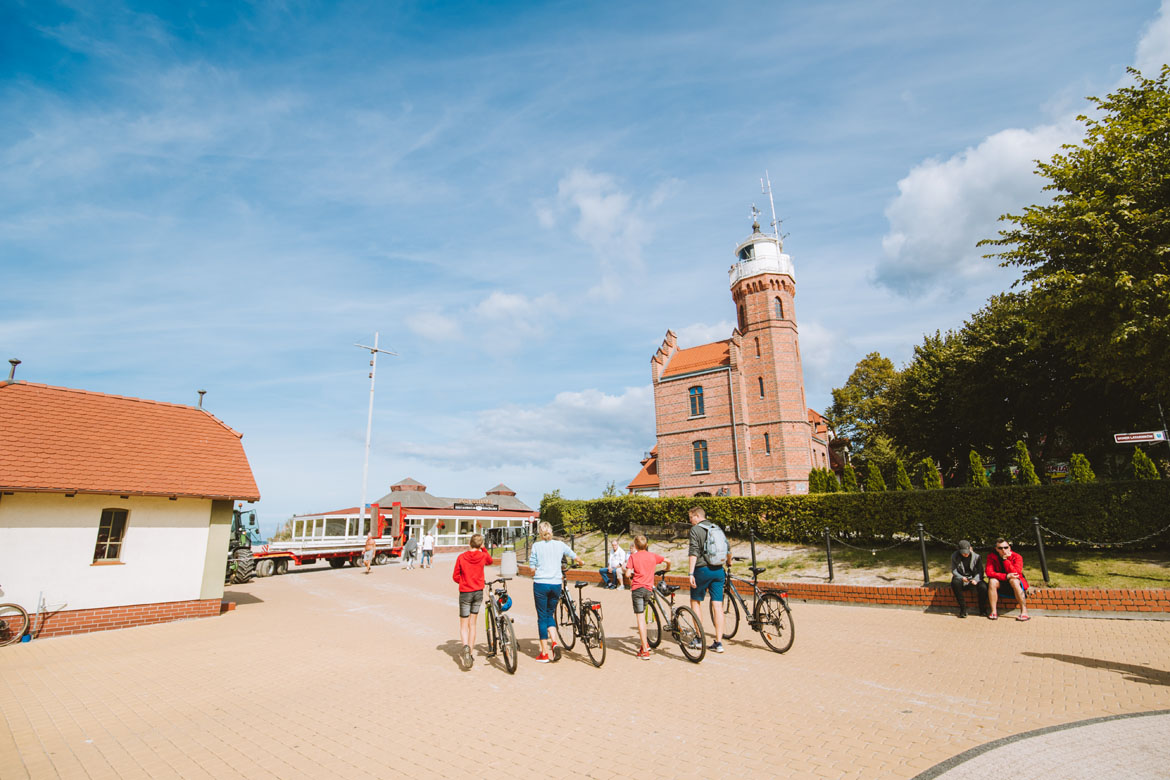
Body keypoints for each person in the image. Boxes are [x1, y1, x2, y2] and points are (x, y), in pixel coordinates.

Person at [528, 520, 583, 663]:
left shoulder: (536, 546)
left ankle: (544, 653)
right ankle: (554, 642)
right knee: (549, 614)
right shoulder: (560, 545)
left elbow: (532, 566)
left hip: (541, 584)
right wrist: (580, 561)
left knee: (541, 617)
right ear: (551, 531)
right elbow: (573, 555)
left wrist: (534, 570)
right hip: (556, 584)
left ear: (540, 532)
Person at [687, 506, 730, 653]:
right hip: (718, 570)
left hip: (702, 570)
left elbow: (693, 552)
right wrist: (728, 563)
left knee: (695, 602)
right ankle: (718, 642)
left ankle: (699, 638)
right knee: (717, 605)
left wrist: (691, 573)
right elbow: (727, 548)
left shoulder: (695, 530)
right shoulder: (716, 527)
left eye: (691, 517)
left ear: (697, 516)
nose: (690, 520)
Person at [452, 533, 494, 669]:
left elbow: (455, 576)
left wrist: (463, 581)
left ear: (470, 543)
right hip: (478, 592)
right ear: (480, 544)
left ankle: (464, 646)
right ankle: (470, 651)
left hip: (465, 592)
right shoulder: (482, 556)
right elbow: (490, 561)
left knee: (463, 624)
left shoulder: (461, 557)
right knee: (473, 624)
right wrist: (484, 549)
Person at [625, 535, 667, 659]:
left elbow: (627, 573)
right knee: (643, 614)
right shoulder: (652, 556)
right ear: (647, 545)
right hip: (648, 588)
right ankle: (645, 644)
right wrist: (666, 569)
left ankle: (645, 649)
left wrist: (631, 573)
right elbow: (667, 560)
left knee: (640, 618)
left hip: (637, 588)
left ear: (636, 546)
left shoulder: (633, 556)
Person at [985, 538, 1030, 621]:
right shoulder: (991, 557)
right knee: (992, 581)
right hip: (1001, 581)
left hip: (1014, 581)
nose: (1003, 550)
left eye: (1006, 547)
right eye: (1000, 548)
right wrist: (1006, 576)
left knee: (1014, 581)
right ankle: (993, 611)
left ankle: (1024, 612)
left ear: (1009, 547)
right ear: (996, 549)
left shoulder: (1017, 557)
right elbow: (989, 572)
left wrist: (1005, 560)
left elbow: (1016, 573)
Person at [949, 540, 988, 618]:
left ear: (970, 548)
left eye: (967, 551)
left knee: (983, 587)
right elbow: (954, 570)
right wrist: (961, 577)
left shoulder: (977, 557)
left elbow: (980, 571)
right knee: (955, 583)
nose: (966, 554)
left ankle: (983, 610)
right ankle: (963, 610)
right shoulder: (954, 556)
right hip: (961, 577)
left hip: (974, 577)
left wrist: (975, 579)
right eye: (963, 552)